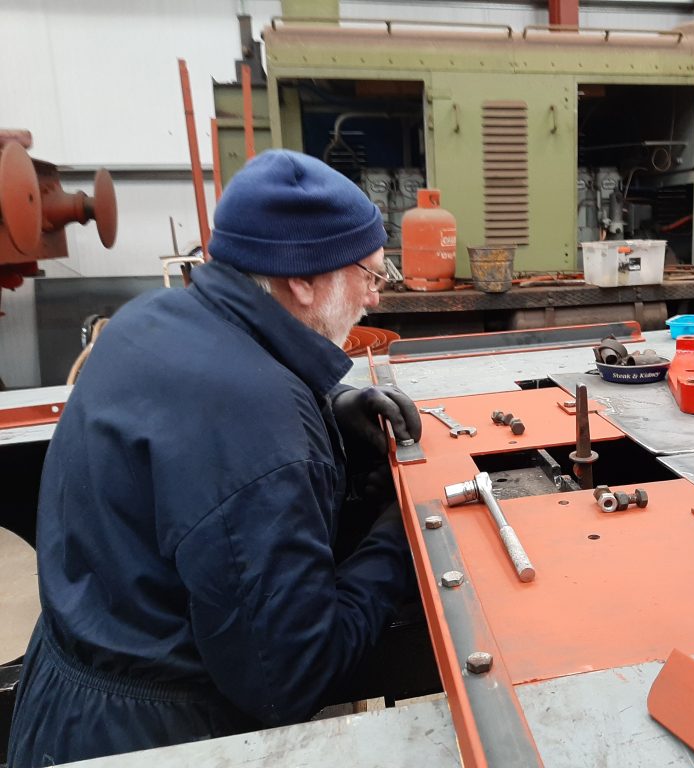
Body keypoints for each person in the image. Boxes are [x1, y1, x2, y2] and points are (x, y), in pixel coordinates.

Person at [7, 150, 422, 766]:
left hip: (62, 697)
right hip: (154, 741)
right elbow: (290, 680)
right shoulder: (262, 427)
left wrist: (329, 400)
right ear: (302, 281)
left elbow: (210, 402)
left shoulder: (147, 318)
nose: (376, 297)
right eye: (370, 273)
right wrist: (395, 541)